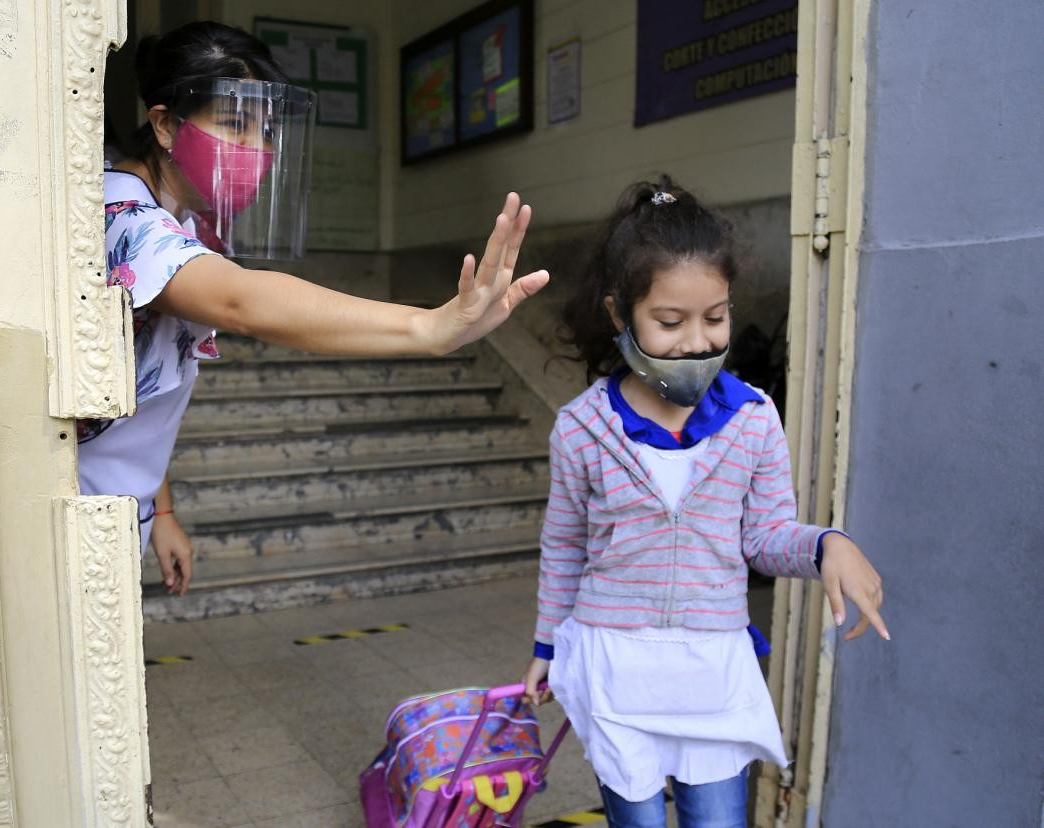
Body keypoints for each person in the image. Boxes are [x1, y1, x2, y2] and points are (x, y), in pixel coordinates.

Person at [77, 22, 548, 595]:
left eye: (267, 129)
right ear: (164, 124)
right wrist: (428, 326)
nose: (256, 148)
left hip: (123, 509)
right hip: (78, 521)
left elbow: (143, 383)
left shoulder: (181, 218)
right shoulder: (117, 213)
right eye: (233, 123)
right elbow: (240, 299)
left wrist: (163, 509)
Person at [520, 180, 886, 827]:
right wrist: (548, 647)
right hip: (616, 670)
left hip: (712, 673)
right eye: (669, 322)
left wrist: (829, 543)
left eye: (714, 317)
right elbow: (566, 546)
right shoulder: (581, 427)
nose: (696, 342)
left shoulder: (753, 419)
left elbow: (765, 536)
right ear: (618, 315)